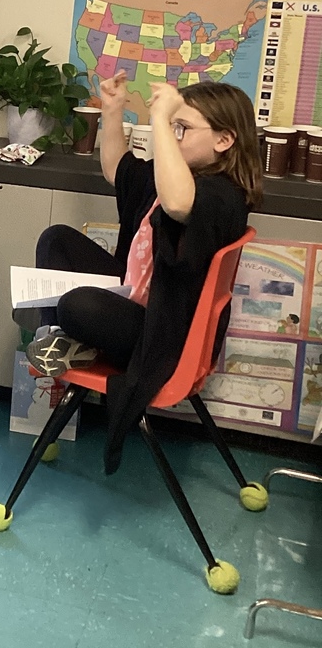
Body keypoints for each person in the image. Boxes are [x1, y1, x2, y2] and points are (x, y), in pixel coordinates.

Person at [25, 71, 263, 473]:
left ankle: (70, 336)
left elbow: (178, 204)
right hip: (134, 301)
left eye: (183, 129)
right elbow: (118, 169)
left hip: (161, 333)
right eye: (174, 127)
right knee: (57, 240)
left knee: (78, 305)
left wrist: (160, 122)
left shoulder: (222, 196)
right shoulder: (178, 179)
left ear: (224, 141)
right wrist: (114, 109)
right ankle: (60, 340)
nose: (173, 136)